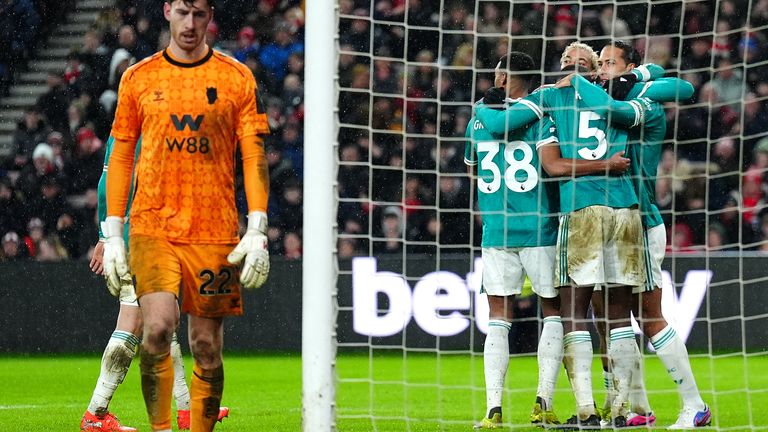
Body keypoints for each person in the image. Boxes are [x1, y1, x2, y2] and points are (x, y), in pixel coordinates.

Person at [102, 0, 271, 431]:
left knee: (206, 345)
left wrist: (257, 225)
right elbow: (121, 154)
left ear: (210, 14)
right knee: (157, 329)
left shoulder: (236, 77)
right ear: (166, 11)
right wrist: (114, 232)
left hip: (214, 230)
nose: (190, 24)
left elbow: (253, 154)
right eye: (182, 13)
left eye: (198, 14)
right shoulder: (139, 78)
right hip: (152, 224)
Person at [466, 52, 630, 429]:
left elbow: (473, 168)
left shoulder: (478, 117)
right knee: (554, 313)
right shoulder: (542, 114)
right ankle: (544, 400)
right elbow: (552, 167)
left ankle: (493, 409)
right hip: (540, 228)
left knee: (498, 319)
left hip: (495, 230)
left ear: (503, 76)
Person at [571, 40, 711, 429]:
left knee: (649, 317)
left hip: (641, 220)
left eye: (609, 63)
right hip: (606, 222)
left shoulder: (643, 102)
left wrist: (637, 74)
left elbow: (679, 87)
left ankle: (694, 404)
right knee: (610, 319)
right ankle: (635, 408)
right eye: (599, 64)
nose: (601, 70)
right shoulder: (600, 98)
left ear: (630, 66)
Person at [80, 136, 229, 432]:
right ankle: (95, 414)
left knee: (164, 319)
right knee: (134, 323)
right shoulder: (145, 128)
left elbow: (105, 183)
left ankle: (187, 409)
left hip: (139, 239)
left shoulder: (127, 129)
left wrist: (103, 236)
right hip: (142, 241)